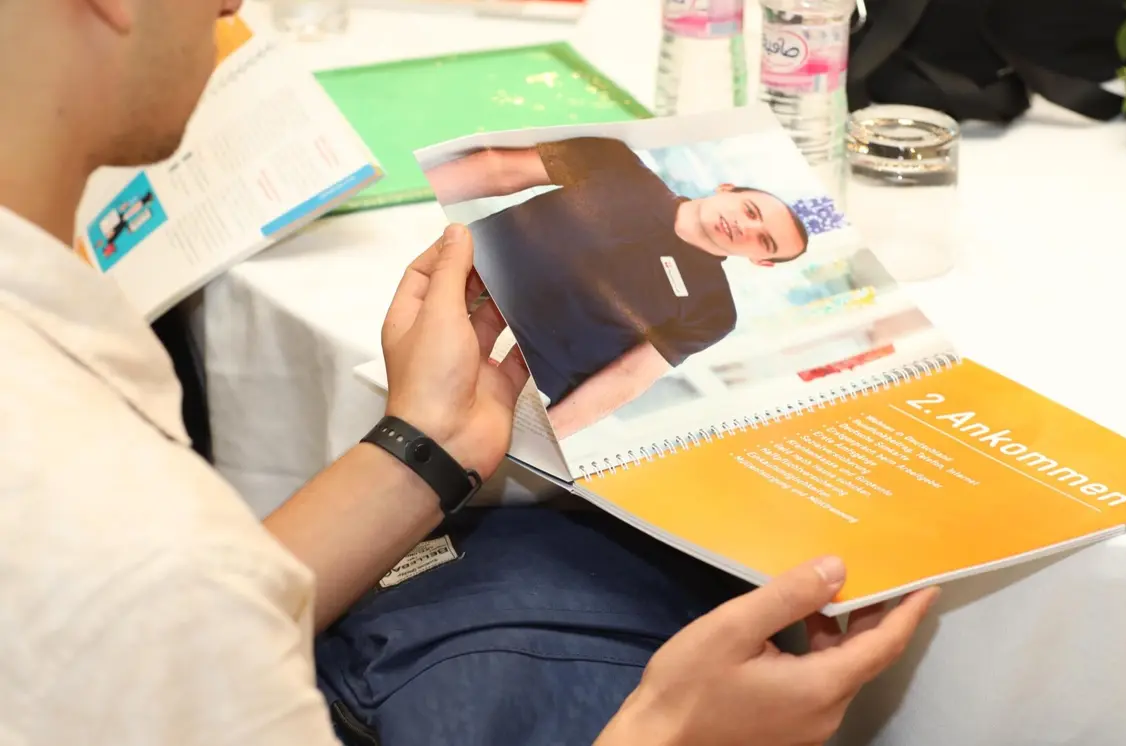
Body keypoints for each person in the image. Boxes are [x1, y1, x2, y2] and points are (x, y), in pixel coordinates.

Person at [0, 2, 940, 746]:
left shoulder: (112, 502)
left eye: (766, 240)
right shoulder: (118, 527)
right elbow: (166, 612)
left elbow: (186, 634)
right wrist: (663, 732)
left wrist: (427, 444)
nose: (234, 5)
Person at [425, 136, 812, 438]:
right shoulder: (617, 162)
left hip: (516, 384)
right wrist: (412, 192)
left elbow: (628, 377)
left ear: (761, 262)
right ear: (727, 189)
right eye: (750, 211)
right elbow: (497, 172)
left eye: (764, 241)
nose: (745, 227)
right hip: (448, 291)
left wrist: (544, 436)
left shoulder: (714, 312)